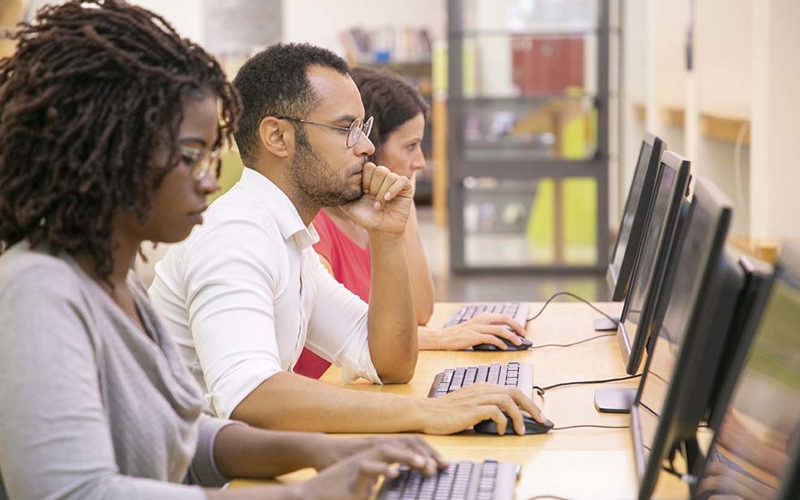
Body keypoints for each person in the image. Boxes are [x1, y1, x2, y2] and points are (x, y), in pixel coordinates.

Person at [0, 2, 447, 498]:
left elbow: (183, 436)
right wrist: (301, 491)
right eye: (191, 156)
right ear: (112, 154)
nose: (209, 179)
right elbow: (73, 493)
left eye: (210, 156)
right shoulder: (38, 290)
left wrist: (317, 450)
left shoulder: (116, 280)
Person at [148, 42, 545, 435]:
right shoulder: (236, 235)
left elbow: (388, 361)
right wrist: (426, 412)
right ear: (278, 137)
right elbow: (249, 397)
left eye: (364, 129)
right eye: (346, 129)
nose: (367, 147)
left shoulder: (290, 239)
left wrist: (386, 236)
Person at [294, 66, 529, 379]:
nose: (420, 161)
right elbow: (350, 341)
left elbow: (419, 312)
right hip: (333, 397)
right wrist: (446, 337)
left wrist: (406, 209)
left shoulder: (368, 224)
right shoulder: (317, 233)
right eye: (409, 146)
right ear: (370, 150)